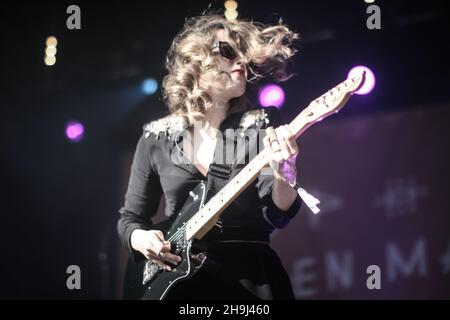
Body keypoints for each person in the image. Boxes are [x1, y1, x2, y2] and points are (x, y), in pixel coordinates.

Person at [118, 13, 302, 300]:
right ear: (195, 64)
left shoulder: (259, 125)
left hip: (250, 279)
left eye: (242, 53)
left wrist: (285, 171)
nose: (240, 61)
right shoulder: (156, 138)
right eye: (228, 52)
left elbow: (276, 213)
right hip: (178, 285)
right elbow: (131, 218)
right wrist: (140, 238)